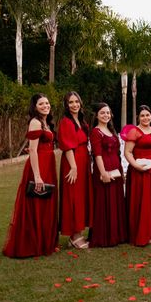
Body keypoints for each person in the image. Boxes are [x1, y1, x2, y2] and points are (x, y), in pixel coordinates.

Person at [3, 94, 58, 258]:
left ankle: (44, 241)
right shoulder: (35, 122)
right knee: (36, 204)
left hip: (48, 165)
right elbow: (33, 150)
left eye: (47, 103)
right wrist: (38, 176)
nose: (45, 106)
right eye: (41, 104)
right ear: (35, 107)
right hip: (38, 166)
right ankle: (33, 244)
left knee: (45, 203)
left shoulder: (46, 122)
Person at [122, 105, 151, 246]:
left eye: (148, 115)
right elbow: (127, 152)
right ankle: (141, 233)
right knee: (142, 201)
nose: (145, 118)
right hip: (140, 170)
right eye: (142, 115)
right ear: (138, 117)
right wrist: (136, 166)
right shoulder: (134, 131)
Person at [90, 103, 127, 247]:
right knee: (104, 201)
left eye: (108, 113)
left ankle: (117, 234)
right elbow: (97, 154)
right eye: (102, 113)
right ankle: (104, 236)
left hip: (116, 169)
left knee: (115, 200)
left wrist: (121, 172)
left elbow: (117, 153)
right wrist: (103, 172)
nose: (106, 115)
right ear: (97, 115)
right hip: (103, 169)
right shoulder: (96, 132)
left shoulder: (112, 131)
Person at [57, 91, 91, 250]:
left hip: (83, 160)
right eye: (71, 102)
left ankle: (78, 232)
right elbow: (67, 145)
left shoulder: (82, 121)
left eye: (76, 101)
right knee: (73, 196)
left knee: (81, 196)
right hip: (73, 161)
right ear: (66, 105)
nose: (74, 105)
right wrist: (74, 167)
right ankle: (74, 235)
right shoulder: (66, 122)